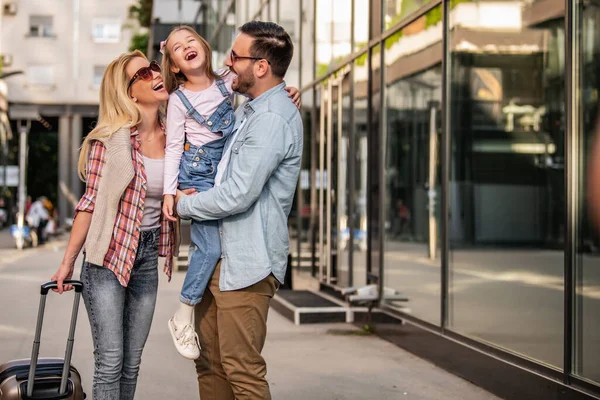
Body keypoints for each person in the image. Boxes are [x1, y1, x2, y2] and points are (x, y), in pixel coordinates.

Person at [50, 50, 190, 400]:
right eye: (143, 73)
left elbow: (215, 95)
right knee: (111, 361)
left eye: (154, 67)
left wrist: (280, 93)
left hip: (145, 257)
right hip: (106, 258)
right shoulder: (110, 141)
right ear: (129, 92)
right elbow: (89, 203)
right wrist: (67, 262)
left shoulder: (178, 134)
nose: (155, 74)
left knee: (132, 362)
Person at [174, 21, 303, 399]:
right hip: (219, 260)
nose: (226, 62)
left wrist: (184, 204)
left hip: (247, 265)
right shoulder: (250, 108)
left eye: (235, 56)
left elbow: (236, 195)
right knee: (210, 364)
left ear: (261, 67)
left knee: (241, 370)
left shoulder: (271, 117)